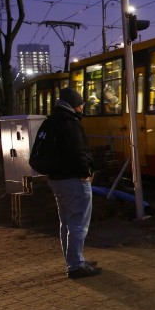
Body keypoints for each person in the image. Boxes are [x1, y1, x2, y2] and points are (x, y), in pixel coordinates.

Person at [47, 88, 101, 279]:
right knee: (78, 223)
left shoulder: (52, 120)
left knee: (66, 223)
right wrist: (85, 173)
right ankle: (76, 265)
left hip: (56, 180)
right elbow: (77, 151)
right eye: (80, 104)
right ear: (73, 104)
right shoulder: (70, 123)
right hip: (73, 180)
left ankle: (74, 259)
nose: (82, 108)